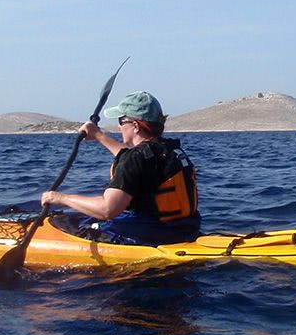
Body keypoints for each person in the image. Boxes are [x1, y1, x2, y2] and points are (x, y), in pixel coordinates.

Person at [40, 91, 201, 245]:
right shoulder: (169, 150)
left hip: (150, 236)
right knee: (86, 218)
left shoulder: (136, 159)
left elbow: (108, 210)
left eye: (121, 121)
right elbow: (132, 159)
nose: (119, 127)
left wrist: (60, 199)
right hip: (184, 230)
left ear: (136, 126)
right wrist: (98, 135)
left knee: (65, 222)